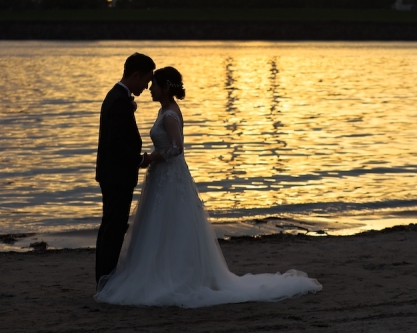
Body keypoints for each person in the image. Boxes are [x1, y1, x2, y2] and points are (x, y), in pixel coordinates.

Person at [95, 66, 322, 308]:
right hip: (161, 178)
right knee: (158, 225)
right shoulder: (164, 110)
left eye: (155, 85)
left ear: (166, 88)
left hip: (169, 177)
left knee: (170, 224)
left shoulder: (170, 115)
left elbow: (176, 148)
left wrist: (150, 158)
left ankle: (173, 275)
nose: (150, 88)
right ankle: (157, 270)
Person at [95, 52, 156, 284]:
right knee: (114, 227)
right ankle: (106, 278)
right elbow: (117, 142)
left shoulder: (117, 96)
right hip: (117, 176)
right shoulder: (119, 100)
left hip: (110, 174)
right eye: (147, 80)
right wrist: (140, 160)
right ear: (136, 75)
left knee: (111, 225)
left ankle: (104, 276)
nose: (147, 86)